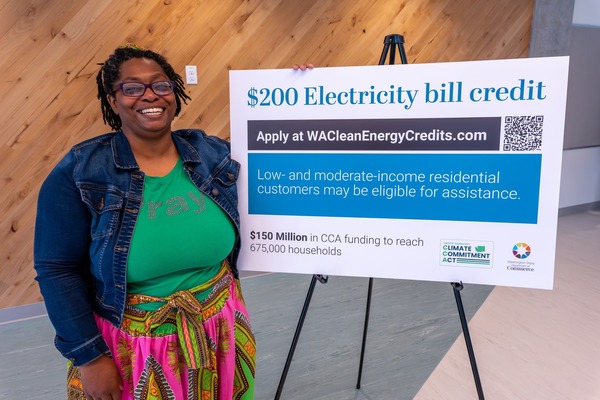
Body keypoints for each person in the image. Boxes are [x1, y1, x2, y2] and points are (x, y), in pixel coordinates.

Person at [34, 44, 256, 400]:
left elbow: (282, 153)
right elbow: (56, 269)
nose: (150, 95)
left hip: (220, 329)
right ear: (112, 99)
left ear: (175, 92)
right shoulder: (81, 170)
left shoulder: (210, 152)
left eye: (161, 85)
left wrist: (301, 87)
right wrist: (90, 358)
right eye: (132, 87)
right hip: (130, 345)